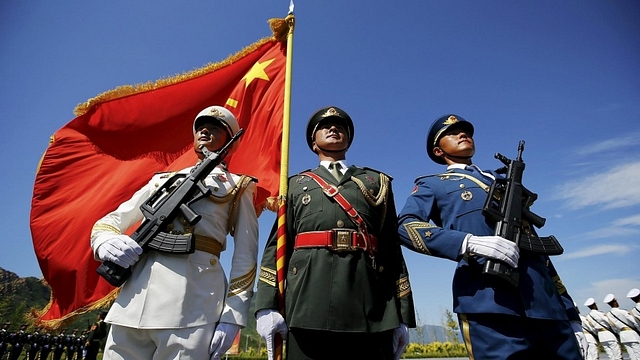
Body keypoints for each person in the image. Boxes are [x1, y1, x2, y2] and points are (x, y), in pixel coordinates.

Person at [397, 114, 586, 359]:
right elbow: (406, 227)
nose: (463, 134)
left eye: (465, 131)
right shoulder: (433, 185)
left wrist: (571, 315)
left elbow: (540, 252)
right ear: (437, 150)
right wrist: (468, 243)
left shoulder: (503, 181)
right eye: (452, 133)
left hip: (546, 303)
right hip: (488, 299)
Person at [90, 105, 259, 360]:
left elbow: (245, 256)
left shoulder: (238, 186)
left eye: (215, 128)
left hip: (193, 305)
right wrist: (105, 240)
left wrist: (233, 315)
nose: (205, 131)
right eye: (201, 127)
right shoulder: (163, 181)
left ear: (230, 142)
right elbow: (113, 220)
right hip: (135, 300)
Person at [254, 106, 416, 360]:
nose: (333, 128)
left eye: (340, 126)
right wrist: (266, 306)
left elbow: (391, 247)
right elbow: (276, 247)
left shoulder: (376, 181)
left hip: (372, 306)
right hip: (307, 303)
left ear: (348, 140)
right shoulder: (294, 184)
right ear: (312, 142)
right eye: (324, 126)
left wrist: (403, 313)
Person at [604, 294, 640, 360]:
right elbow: (635, 322)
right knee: (638, 354)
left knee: (632, 356)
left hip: (623, 336)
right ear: (615, 301)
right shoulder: (623, 312)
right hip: (632, 334)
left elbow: (613, 327)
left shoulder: (609, 314)